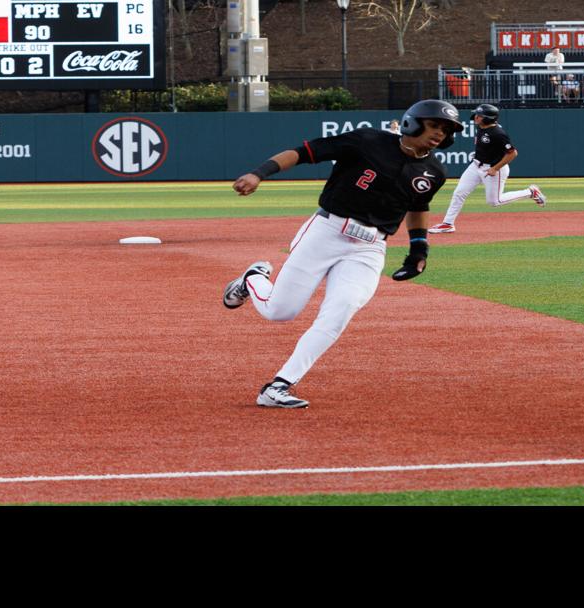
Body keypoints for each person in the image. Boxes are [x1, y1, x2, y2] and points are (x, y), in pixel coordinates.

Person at [222, 99, 463, 409]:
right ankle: (252, 279)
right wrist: (259, 173)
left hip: (370, 247)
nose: (440, 134)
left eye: (446, 130)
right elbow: (304, 152)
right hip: (326, 232)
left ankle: (279, 385)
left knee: (341, 309)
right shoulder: (367, 141)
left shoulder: (434, 171)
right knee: (280, 311)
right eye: (434, 126)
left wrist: (419, 249)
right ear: (412, 123)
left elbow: (417, 207)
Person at [429, 104, 544, 234]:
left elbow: (512, 153)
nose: (476, 117)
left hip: (494, 169)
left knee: (495, 201)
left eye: (479, 115)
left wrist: (495, 168)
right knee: (459, 193)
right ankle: (448, 224)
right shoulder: (482, 127)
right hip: (476, 166)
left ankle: (530, 192)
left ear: (488, 118)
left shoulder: (498, 133)